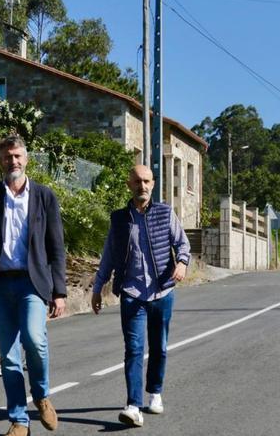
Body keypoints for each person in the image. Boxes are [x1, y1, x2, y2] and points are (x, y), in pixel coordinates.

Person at [0, 134, 67, 436]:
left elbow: (56, 247)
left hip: (32, 283)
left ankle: (41, 395)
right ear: (0, 160)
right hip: (0, 285)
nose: (14, 161)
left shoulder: (45, 196)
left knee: (35, 340)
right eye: (8, 156)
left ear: (27, 158)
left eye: (18, 156)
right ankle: (19, 420)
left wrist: (59, 291)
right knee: (7, 356)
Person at [91, 164, 191, 427]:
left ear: (153, 184)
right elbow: (108, 256)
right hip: (132, 292)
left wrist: (181, 263)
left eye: (146, 181)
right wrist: (98, 288)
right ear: (129, 185)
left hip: (162, 291)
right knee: (134, 349)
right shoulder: (119, 219)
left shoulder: (165, 213)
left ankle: (154, 392)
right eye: (137, 181)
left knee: (159, 346)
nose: (142, 186)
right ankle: (133, 405)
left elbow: (182, 243)